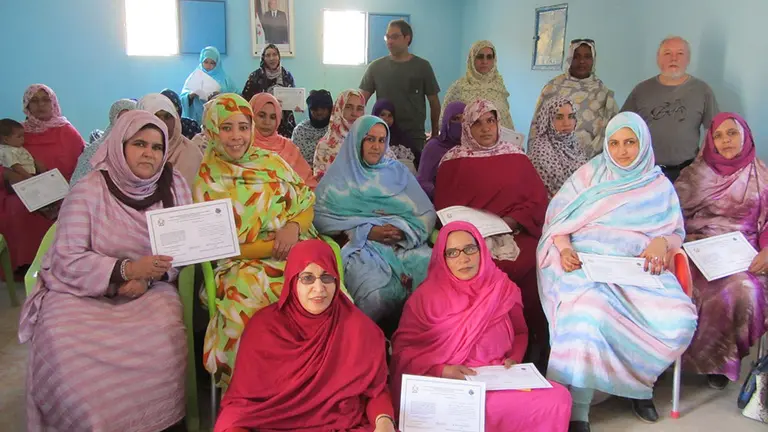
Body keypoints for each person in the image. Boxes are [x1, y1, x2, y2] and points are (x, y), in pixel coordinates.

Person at [18, 110, 192, 431]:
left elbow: (184, 247)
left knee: (164, 335)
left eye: (157, 147)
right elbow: (66, 257)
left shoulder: (174, 186)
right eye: (139, 143)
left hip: (150, 292)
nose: (148, 153)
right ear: (119, 145)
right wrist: (125, 270)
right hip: (80, 291)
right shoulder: (89, 189)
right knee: (60, 338)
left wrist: (149, 276)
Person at [537, 112, 698, 430]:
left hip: (640, 271)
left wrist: (662, 242)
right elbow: (557, 220)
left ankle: (637, 384)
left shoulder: (658, 185)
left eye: (630, 142)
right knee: (589, 311)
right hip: (588, 265)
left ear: (643, 143)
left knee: (678, 319)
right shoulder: (588, 176)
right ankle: (579, 408)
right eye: (614, 143)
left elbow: (675, 231)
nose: (623, 151)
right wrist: (566, 248)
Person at [390, 222, 572, 432]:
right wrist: (442, 370)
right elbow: (404, 354)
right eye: (452, 253)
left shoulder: (502, 288)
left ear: (481, 250)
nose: (464, 258)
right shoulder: (423, 299)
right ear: (442, 257)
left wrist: (514, 358)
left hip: (497, 383)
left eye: (470, 249)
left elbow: (521, 331)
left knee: (558, 398)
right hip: (449, 386)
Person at [194, 94, 320, 387]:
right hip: (241, 266)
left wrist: (293, 227)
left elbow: (306, 204)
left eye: (242, 126)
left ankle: (315, 394)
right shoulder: (208, 177)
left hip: (296, 254)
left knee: (323, 299)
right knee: (250, 307)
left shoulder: (273, 162)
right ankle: (254, 398)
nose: (236, 136)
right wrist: (280, 245)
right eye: (227, 128)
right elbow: (218, 245)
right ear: (213, 130)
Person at [214, 240, 396, 432]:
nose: (319, 289)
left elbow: (375, 392)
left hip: (341, 426)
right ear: (292, 281)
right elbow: (240, 406)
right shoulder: (264, 329)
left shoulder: (358, 329)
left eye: (327, 278)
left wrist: (384, 422)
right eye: (307, 278)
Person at [435, 99, 550, 369]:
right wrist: (475, 231)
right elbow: (445, 208)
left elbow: (537, 201)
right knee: (475, 265)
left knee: (534, 265)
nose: (486, 129)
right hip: (471, 239)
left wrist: (511, 221)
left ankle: (535, 342)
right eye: (477, 123)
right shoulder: (453, 161)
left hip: (516, 232)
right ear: (467, 127)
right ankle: (478, 346)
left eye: (491, 121)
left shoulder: (517, 156)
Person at [313, 115, 435, 332]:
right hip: (361, 247)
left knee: (431, 271)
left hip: (404, 244)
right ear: (357, 141)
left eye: (381, 140)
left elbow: (425, 213)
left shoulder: (397, 172)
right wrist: (366, 230)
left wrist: (403, 231)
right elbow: (321, 217)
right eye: (370, 139)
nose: (376, 146)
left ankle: (418, 339)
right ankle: (366, 345)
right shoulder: (339, 177)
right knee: (374, 293)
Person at [676, 112, 768, 390]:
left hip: (744, 252)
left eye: (732, 133)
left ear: (745, 136)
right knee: (684, 286)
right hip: (696, 247)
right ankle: (670, 357)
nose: (725, 140)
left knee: (742, 289)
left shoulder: (761, 175)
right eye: (718, 135)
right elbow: (670, 215)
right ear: (710, 140)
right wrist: (684, 239)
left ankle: (720, 360)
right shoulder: (694, 174)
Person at [0, 84, 85, 271]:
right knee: (17, 208)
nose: (40, 105)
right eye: (34, 101)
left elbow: (83, 165)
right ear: (26, 106)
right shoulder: (17, 132)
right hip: (23, 192)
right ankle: (25, 265)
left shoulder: (68, 132)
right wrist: (9, 174)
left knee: (72, 208)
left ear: (53, 102)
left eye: (45, 100)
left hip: (64, 190)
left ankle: (60, 263)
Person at [622, 36, 719, 181]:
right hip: (647, 172)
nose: (673, 59)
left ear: (688, 59)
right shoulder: (641, 90)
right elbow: (624, 127)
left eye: (680, 54)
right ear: (658, 59)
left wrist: (701, 163)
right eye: (667, 53)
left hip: (688, 172)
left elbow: (714, 130)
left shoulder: (702, 90)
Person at [360, 19, 440, 153]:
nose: (390, 41)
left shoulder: (422, 67)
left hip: (414, 136)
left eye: (395, 37)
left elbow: (434, 103)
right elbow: (360, 100)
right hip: (383, 135)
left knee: (412, 172)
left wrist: (435, 134)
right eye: (388, 37)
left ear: (407, 38)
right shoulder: (376, 67)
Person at [528, 39, 618, 158]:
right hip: (552, 162)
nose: (582, 61)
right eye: (576, 57)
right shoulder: (553, 88)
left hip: (591, 164)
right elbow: (537, 127)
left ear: (593, 60)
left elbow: (614, 130)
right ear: (569, 58)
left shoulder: (602, 92)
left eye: (587, 57)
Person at [441, 40, 514, 129]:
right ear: (472, 59)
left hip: (500, 141)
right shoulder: (459, 87)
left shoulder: (498, 86)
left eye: (489, 57)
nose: (485, 61)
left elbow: (506, 120)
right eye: (480, 57)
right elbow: (444, 121)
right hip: (464, 141)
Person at [249, 93, 317, 188]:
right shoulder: (243, 146)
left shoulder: (288, 147)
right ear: (251, 116)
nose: (267, 122)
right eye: (261, 115)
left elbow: (307, 183)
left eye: (273, 117)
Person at [137, 93, 203, 189]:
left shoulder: (191, 153)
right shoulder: (132, 153)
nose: (162, 122)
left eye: (168, 116)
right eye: (156, 116)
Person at [528, 96, 589, 197]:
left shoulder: (574, 145)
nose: (567, 123)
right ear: (548, 120)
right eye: (559, 117)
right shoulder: (540, 153)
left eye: (571, 116)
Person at [70, 98, 137, 186]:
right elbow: (77, 184)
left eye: (132, 118)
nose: (126, 123)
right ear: (115, 118)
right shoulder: (94, 150)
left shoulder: (137, 148)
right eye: (123, 117)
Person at [241, 44, 297, 138]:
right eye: (268, 55)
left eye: (274, 54)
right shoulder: (255, 76)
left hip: (284, 122)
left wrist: (296, 105)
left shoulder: (286, 75)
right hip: (262, 121)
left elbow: (292, 96)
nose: (272, 58)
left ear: (279, 57)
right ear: (263, 58)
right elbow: (246, 100)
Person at [416, 101, 464, 200]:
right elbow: (422, 181)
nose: (461, 124)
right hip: (439, 203)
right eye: (456, 119)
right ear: (446, 121)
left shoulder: (473, 146)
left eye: (465, 120)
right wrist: (441, 194)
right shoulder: (434, 147)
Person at [312, 89, 366, 178]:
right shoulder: (325, 146)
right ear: (339, 109)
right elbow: (321, 184)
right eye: (348, 107)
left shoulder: (370, 139)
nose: (354, 113)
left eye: (359, 109)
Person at [181, 46, 239, 125]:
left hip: (219, 119)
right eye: (205, 62)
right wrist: (191, 95)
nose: (208, 66)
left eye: (212, 63)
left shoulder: (225, 79)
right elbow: (182, 97)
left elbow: (237, 97)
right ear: (201, 61)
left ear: (217, 63)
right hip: (197, 120)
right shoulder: (194, 76)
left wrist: (221, 96)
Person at [372, 98, 417, 172]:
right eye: (382, 115)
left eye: (390, 115)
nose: (386, 119)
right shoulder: (368, 136)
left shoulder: (402, 137)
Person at [291, 89, 333, 164]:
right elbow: (293, 159)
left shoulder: (336, 130)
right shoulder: (300, 130)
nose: (319, 112)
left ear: (330, 109)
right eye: (315, 109)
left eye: (323, 108)